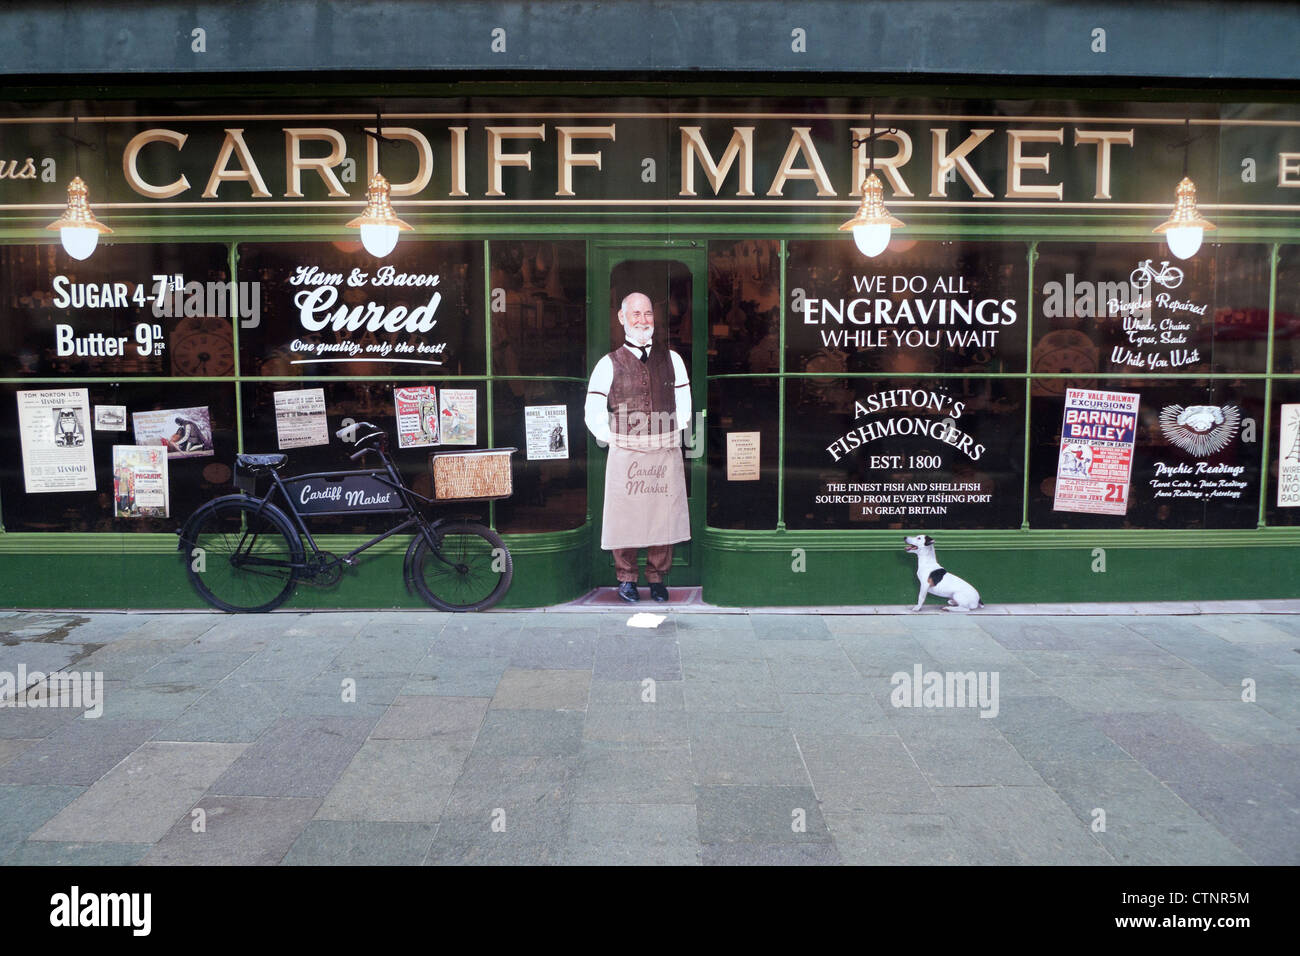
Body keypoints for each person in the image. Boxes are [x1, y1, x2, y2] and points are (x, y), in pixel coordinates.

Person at [585, 291, 691, 603]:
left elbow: (684, 404)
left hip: (663, 448)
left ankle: (657, 578)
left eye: (647, 314)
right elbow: (593, 411)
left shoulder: (673, 360)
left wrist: (676, 429)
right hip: (626, 451)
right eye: (635, 314)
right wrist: (612, 437)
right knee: (625, 514)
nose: (642, 320)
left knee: (663, 513)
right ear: (622, 318)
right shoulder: (608, 364)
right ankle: (627, 578)